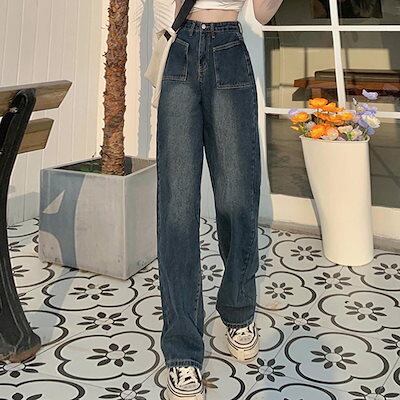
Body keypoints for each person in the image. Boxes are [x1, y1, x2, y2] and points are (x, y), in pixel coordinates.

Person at [155, 1, 283, 399]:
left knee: (236, 198)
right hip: (179, 47)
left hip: (229, 47)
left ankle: (239, 311)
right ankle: (182, 347)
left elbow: (262, 13)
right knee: (177, 208)